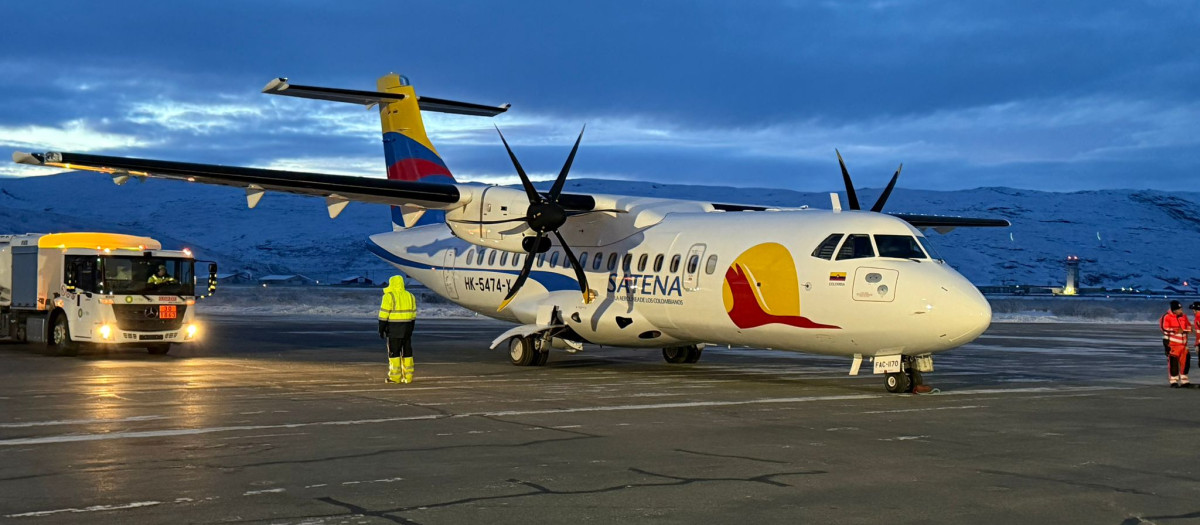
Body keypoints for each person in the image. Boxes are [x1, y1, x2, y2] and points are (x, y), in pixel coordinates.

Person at [378, 275, 417, 384]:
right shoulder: (410, 296)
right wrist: (411, 328)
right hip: (407, 328)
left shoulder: (389, 296)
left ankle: (395, 377)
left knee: (394, 353)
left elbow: (383, 315)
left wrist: (381, 329)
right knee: (407, 352)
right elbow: (413, 314)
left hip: (394, 329)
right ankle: (408, 377)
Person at [1159, 300, 1192, 388]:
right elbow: (1164, 328)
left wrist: (1184, 330)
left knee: (1185, 363)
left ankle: (1184, 381)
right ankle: (1174, 381)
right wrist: (1176, 330)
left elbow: (1189, 327)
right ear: (1174, 310)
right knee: (1173, 363)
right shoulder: (1166, 317)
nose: (1181, 311)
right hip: (1172, 344)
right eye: (1179, 309)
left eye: (1181, 309)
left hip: (1184, 345)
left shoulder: (1184, 316)